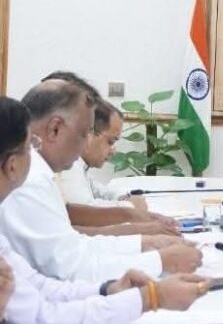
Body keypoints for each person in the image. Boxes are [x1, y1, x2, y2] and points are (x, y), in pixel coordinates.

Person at [0, 95, 210, 324]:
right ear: (12, 166)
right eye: (31, 146)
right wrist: (151, 297)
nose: (35, 154)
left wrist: (107, 289)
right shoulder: (33, 184)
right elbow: (45, 316)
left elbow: (38, 286)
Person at [56, 98, 179, 236]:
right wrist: (130, 206)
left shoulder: (79, 165)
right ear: (89, 134)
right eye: (110, 141)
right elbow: (86, 213)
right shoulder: (67, 166)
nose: (113, 150)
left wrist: (123, 198)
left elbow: (98, 190)